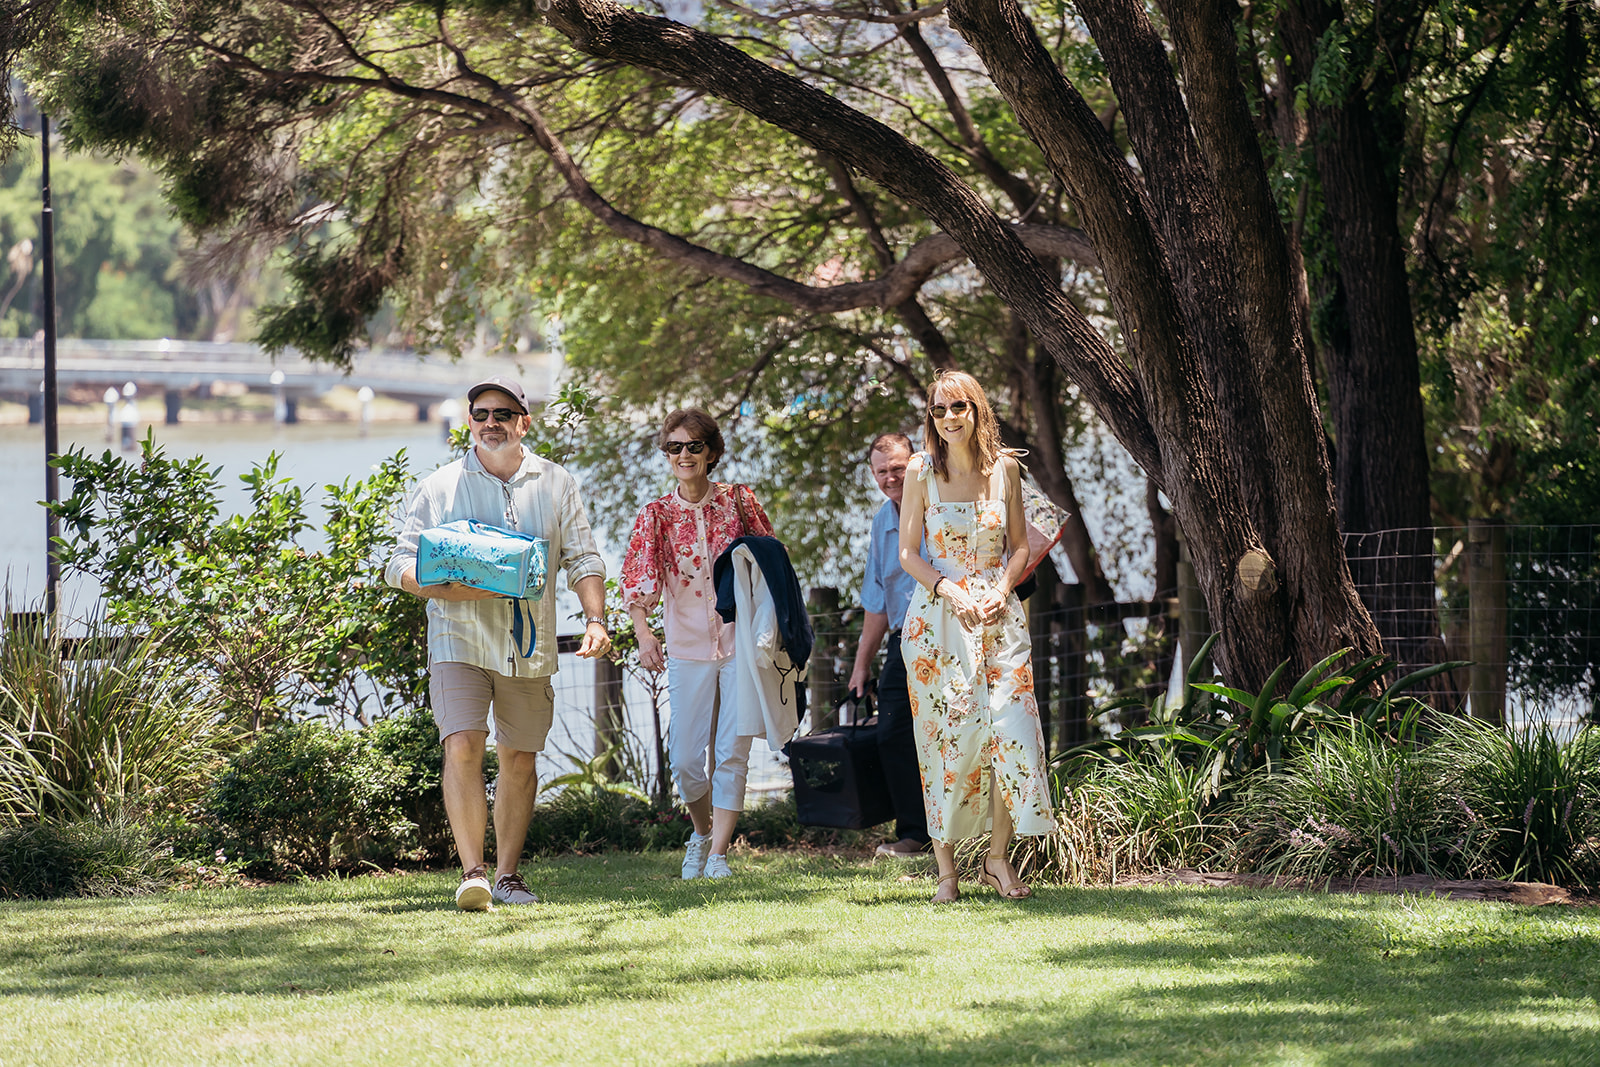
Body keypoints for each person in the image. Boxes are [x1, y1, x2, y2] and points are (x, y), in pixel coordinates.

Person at [387, 375, 611, 910]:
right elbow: (397, 562)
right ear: (469, 422)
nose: (492, 423)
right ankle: (474, 874)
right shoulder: (439, 487)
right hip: (457, 638)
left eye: (503, 415)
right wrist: (442, 587)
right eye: (482, 414)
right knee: (462, 744)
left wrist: (596, 619)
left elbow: (583, 558)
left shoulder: (556, 483)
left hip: (527, 647)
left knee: (518, 758)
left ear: (523, 423)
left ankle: (509, 876)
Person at [897, 370, 1054, 903]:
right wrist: (950, 591)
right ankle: (946, 874)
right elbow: (908, 554)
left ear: (977, 410)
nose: (948, 419)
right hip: (938, 623)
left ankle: (997, 862)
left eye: (957, 408)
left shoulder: (1005, 470)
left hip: (999, 619)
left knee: (1013, 736)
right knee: (948, 743)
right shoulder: (920, 472)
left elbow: (1018, 548)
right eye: (938, 411)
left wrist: (1002, 587)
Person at [620, 408, 774, 879]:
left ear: (711, 453)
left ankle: (720, 855)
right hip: (686, 649)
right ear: (666, 454)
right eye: (674, 447)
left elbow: (772, 563)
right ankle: (702, 833)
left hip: (740, 644)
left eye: (694, 446)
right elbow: (637, 582)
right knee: (686, 758)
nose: (684, 455)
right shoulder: (657, 516)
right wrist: (644, 633)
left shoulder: (739, 502)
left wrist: (771, 629)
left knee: (732, 750)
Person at [846, 432, 932, 857]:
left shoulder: (941, 503)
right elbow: (877, 602)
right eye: (882, 471)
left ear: (915, 463)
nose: (890, 478)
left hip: (948, 632)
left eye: (898, 468)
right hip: (904, 639)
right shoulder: (883, 520)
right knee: (893, 731)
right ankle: (916, 834)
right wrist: (862, 665)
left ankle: (971, 833)